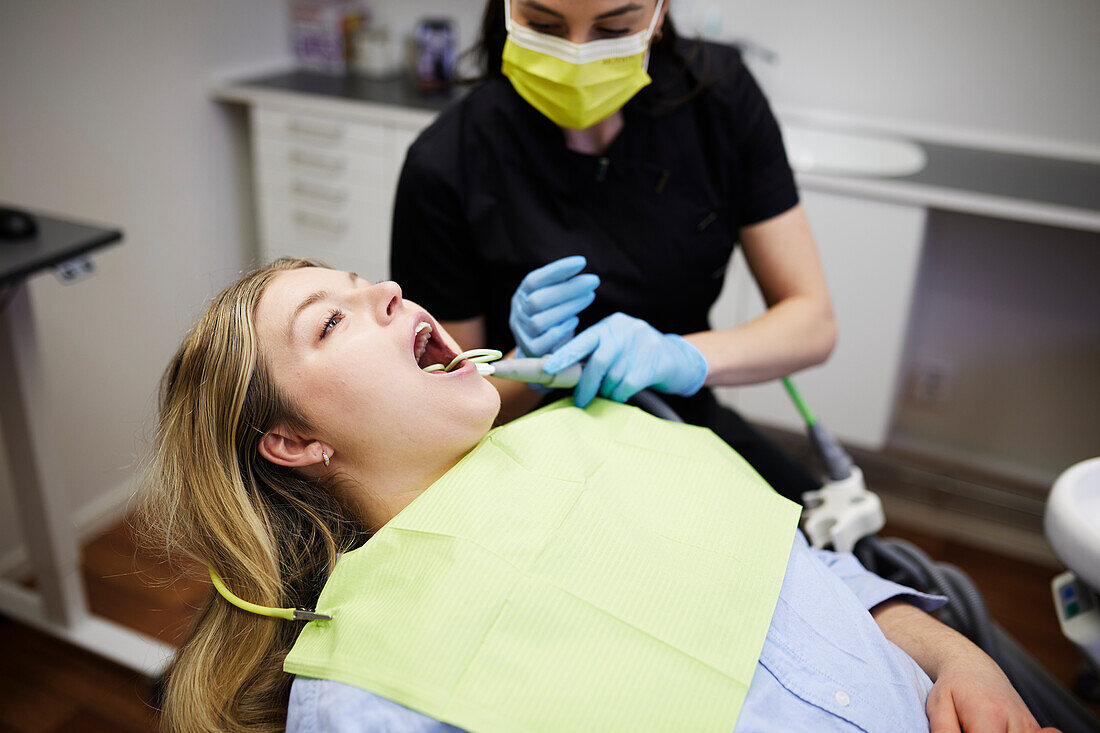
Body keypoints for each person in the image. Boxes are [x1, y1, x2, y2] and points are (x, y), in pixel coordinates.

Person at [141, 259, 1054, 733]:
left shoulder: (600, 426)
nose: (385, 289)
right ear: (296, 441)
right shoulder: (363, 688)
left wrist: (960, 661)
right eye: (331, 320)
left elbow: (813, 574)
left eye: (362, 282)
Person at [392, 0, 836, 503]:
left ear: (659, 15)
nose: (578, 54)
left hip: (680, 426)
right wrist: (533, 363)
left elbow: (812, 323)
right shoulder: (445, 160)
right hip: (522, 453)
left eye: (614, 28)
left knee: (834, 545)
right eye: (544, 25)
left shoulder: (721, 97)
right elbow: (444, 414)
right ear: (509, 10)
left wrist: (680, 357)